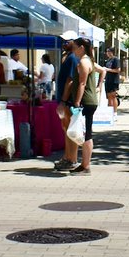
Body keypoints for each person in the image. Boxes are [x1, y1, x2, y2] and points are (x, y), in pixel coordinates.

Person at [68, 37, 107, 175]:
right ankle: (84, 164)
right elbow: (103, 71)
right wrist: (98, 85)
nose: (73, 51)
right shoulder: (89, 61)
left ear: (81, 48)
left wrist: (77, 101)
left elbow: (82, 83)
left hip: (86, 102)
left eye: (74, 47)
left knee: (86, 134)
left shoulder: (85, 62)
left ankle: (86, 166)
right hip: (89, 101)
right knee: (85, 133)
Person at [53, 32, 80, 170]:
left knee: (70, 129)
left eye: (66, 41)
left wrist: (63, 101)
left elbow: (70, 81)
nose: (63, 43)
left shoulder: (73, 58)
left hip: (68, 101)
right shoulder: (69, 57)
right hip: (65, 101)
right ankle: (67, 157)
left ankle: (72, 159)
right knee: (66, 129)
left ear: (73, 42)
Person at [103, 48, 122, 115]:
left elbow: (118, 70)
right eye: (106, 51)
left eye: (108, 51)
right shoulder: (108, 60)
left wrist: (108, 69)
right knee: (108, 97)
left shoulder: (116, 60)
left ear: (112, 52)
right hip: (108, 80)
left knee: (113, 96)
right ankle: (109, 112)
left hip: (114, 80)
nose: (107, 53)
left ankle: (115, 112)